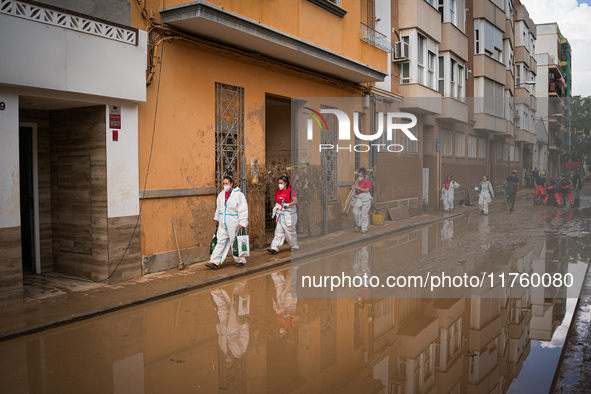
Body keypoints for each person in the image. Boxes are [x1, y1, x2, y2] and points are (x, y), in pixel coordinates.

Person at [206, 175, 249, 269]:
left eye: (226, 183)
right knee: (220, 241)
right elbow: (219, 208)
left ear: (231, 184)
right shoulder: (221, 195)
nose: (225, 185)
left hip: (233, 222)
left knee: (235, 241)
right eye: (223, 184)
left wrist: (242, 222)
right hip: (222, 222)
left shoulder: (238, 195)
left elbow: (243, 209)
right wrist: (217, 220)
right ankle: (214, 261)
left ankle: (240, 260)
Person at [210, 282, 249, 369]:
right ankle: (241, 283)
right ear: (233, 362)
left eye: (226, 363)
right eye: (229, 363)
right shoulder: (239, 352)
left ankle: (216, 290)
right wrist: (243, 326)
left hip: (224, 325)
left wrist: (217, 325)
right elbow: (244, 338)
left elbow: (220, 336)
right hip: (234, 325)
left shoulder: (223, 349)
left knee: (222, 308)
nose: (227, 361)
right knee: (236, 303)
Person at [268, 176, 299, 254]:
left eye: (281, 183)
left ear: (286, 183)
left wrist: (288, 204)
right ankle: (274, 247)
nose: (280, 185)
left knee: (289, 231)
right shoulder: (277, 191)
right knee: (278, 230)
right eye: (279, 183)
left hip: (289, 214)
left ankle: (294, 245)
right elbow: (277, 201)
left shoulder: (291, 191)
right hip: (280, 213)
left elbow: (295, 201)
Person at [353, 168, 372, 234]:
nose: (359, 177)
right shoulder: (356, 181)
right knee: (356, 213)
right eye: (358, 176)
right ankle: (359, 225)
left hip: (366, 200)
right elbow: (353, 187)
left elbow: (367, 190)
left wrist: (360, 188)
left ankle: (364, 228)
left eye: (361, 176)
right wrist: (353, 188)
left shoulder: (367, 182)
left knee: (364, 214)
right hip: (358, 199)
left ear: (363, 176)